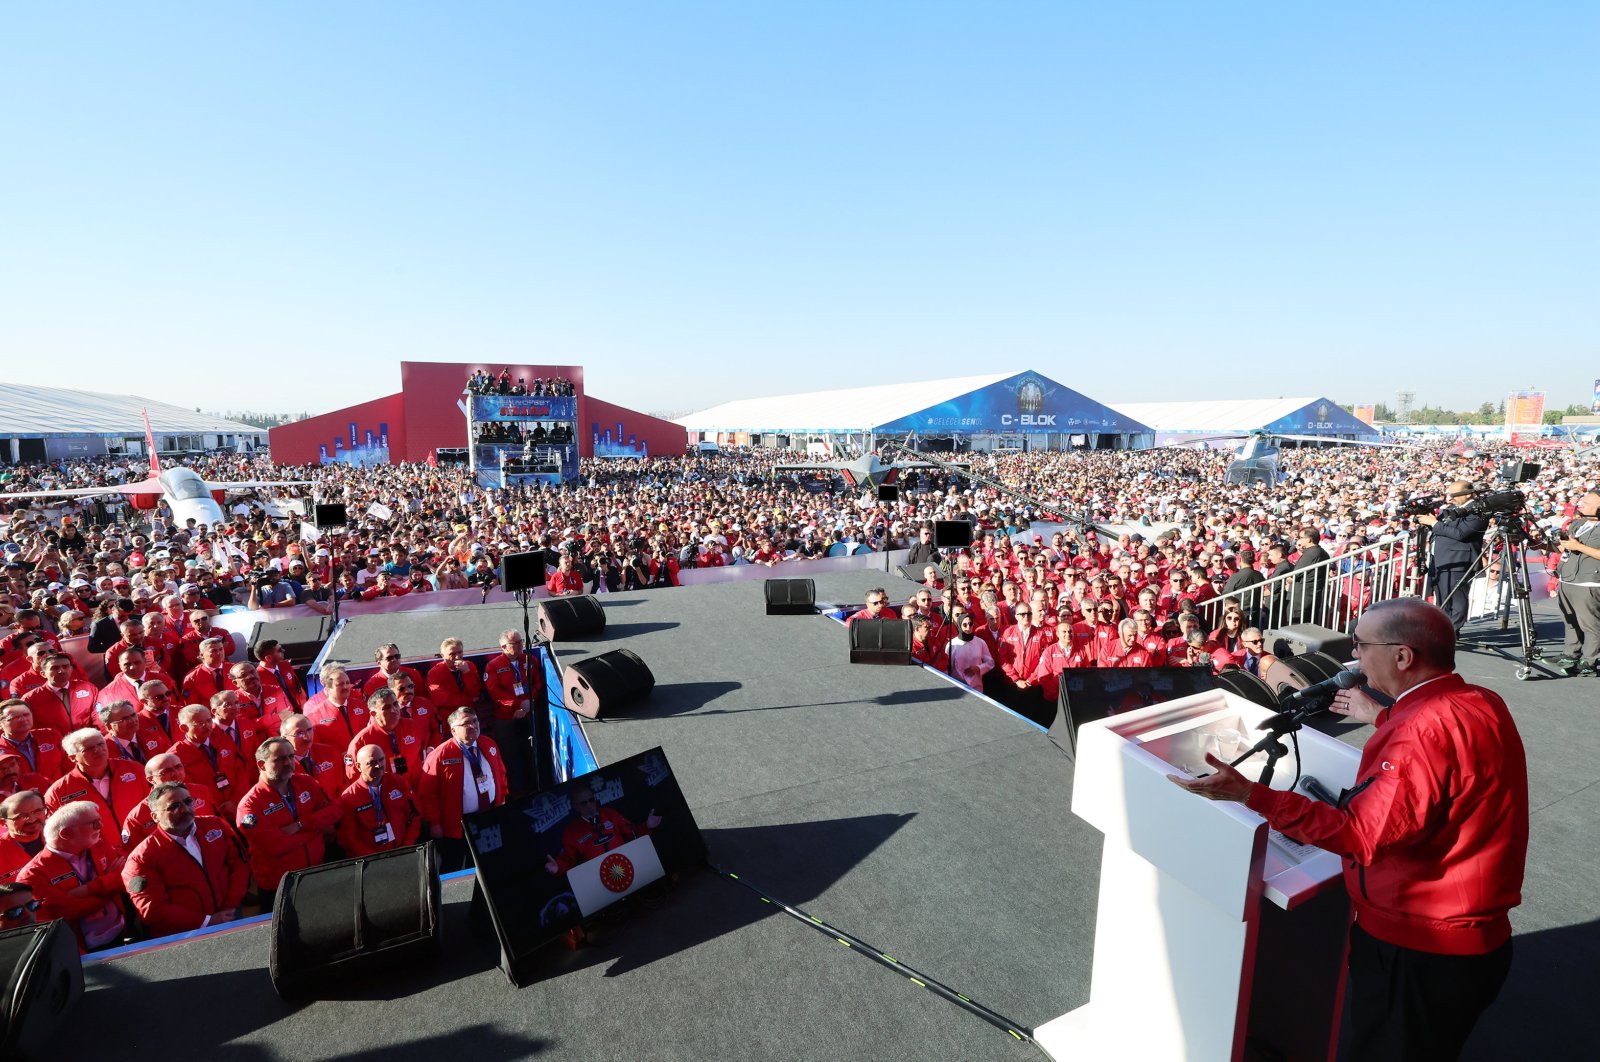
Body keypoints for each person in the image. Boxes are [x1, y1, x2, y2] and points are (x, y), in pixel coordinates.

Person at [1167, 600, 1527, 1061]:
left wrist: (1251, 795)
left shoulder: (1417, 732)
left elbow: (1361, 836)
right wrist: (1381, 716)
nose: (1353, 658)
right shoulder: (1480, 701)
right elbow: (1444, 755)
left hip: (1418, 951)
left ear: (1403, 656)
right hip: (1473, 943)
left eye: (1361, 644)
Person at [122, 782, 249, 936]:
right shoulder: (141, 858)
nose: (185, 809)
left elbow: (239, 865)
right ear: (155, 816)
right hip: (186, 936)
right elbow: (153, 910)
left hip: (231, 916)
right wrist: (208, 921)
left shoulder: (216, 825)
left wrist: (230, 906)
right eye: (174, 806)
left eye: (188, 801)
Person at [235, 737, 342, 900]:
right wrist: (317, 827)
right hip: (281, 887)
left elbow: (335, 810)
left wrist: (300, 825)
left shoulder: (306, 782)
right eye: (279, 759)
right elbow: (276, 846)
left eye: (291, 757)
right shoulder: (249, 806)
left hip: (316, 873)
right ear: (261, 765)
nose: (288, 762)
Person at [18, 801, 127, 952]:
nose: (101, 827)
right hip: (79, 951)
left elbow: (125, 875)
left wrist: (89, 889)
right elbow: (68, 911)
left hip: (120, 932)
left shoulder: (98, 845)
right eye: (94, 823)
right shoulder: (33, 875)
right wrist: (109, 886)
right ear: (66, 833)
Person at [417, 708, 507, 871]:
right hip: (458, 824)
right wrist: (435, 823)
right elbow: (427, 794)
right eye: (466, 723)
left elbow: (501, 774)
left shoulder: (489, 744)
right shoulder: (440, 755)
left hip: (488, 816)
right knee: (455, 867)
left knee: (487, 863)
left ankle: (482, 895)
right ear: (453, 730)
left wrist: (502, 800)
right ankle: (457, 896)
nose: (473, 725)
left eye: (475, 721)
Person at [43, 728, 150, 837]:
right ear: (72, 758)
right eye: (88, 749)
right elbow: (55, 835)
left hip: (143, 843)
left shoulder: (135, 770)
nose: (98, 750)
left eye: (100, 744)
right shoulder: (59, 792)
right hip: (100, 852)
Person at [1416, 481, 1488, 634]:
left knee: (1457, 599)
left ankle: (1449, 632)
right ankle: (1447, 632)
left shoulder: (1477, 511)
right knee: (1443, 598)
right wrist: (1428, 521)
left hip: (1458, 560)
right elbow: (1443, 529)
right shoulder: (1452, 509)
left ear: (1468, 494)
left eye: (1454, 495)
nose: (1451, 498)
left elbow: (1460, 534)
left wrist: (1434, 523)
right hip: (1441, 560)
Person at [543, 781, 660, 873]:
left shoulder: (609, 814)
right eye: (584, 803)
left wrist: (647, 826)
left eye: (591, 800)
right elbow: (568, 859)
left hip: (625, 865)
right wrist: (558, 867)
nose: (589, 805)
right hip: (597, 877)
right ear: (575, 807)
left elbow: (632, 833)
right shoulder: (571, 832)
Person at [336, 745, 422, 857]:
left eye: (381, 759)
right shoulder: (349, 797)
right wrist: (376, 859)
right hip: (372, 863)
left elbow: (415, 815)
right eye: (371, 762)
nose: (379, 765)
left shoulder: (398, 782)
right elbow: (349, 839)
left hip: (405, 852)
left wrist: (407, 846)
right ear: (358, 766)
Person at [481, 630, 537, 794]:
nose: (520, 646)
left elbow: (539, 683)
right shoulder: (493, 666)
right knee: (511, 758)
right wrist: (519, 704)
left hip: (529, 713)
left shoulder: (529, 660)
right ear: (503, 646)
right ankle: (514, 793)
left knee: (531, 753)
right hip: (506, 718)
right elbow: (495, 692)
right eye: (515, 643)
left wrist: (529, 702)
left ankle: (534, 788)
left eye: (521, 642)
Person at [1553, 490, 1600, 676]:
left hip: (1589, 582)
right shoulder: (1578, 524)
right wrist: (1539, 545)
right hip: (1568, 579)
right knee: (1570, 621)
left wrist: (1579, 547)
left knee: (1590, 625)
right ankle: (1570, 654)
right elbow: (1564, 547)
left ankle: (1589, 660)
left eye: (1587, 503)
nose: (1581, 505)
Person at [0, 790, 48, 884]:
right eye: (21, 816)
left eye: (37, 811)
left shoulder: (62, 837)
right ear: (3, 823)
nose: (32, 819)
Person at [947, 612, 995, 691]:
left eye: (970, 624)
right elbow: (947, 667)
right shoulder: (952, 644)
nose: (968, 627)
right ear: (959, 625)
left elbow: (990, 662)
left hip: (976, 686)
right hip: (957, 685)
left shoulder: (980, 642)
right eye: (965, 625)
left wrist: (978, 668)